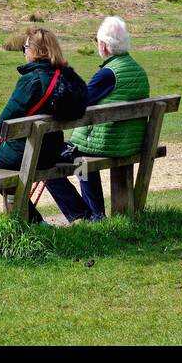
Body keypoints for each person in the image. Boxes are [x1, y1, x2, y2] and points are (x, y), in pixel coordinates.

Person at [0, 27, 86, 231]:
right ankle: (35, 221)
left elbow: (4, 123)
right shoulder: (65, 78)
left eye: (25, 47)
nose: (24, 52)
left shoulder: (30, 80)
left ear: (35, 50)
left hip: (28, 153)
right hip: (52, 151)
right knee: (9, 172)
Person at [45, 16, 150, 223]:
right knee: (82, 159)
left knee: (48, 162)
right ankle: (96, 214)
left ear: (103, 45)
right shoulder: (137, 70)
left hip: (108, 145)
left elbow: (77, 102)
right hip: (130, 142)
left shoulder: (108, 74)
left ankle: (85, 215)